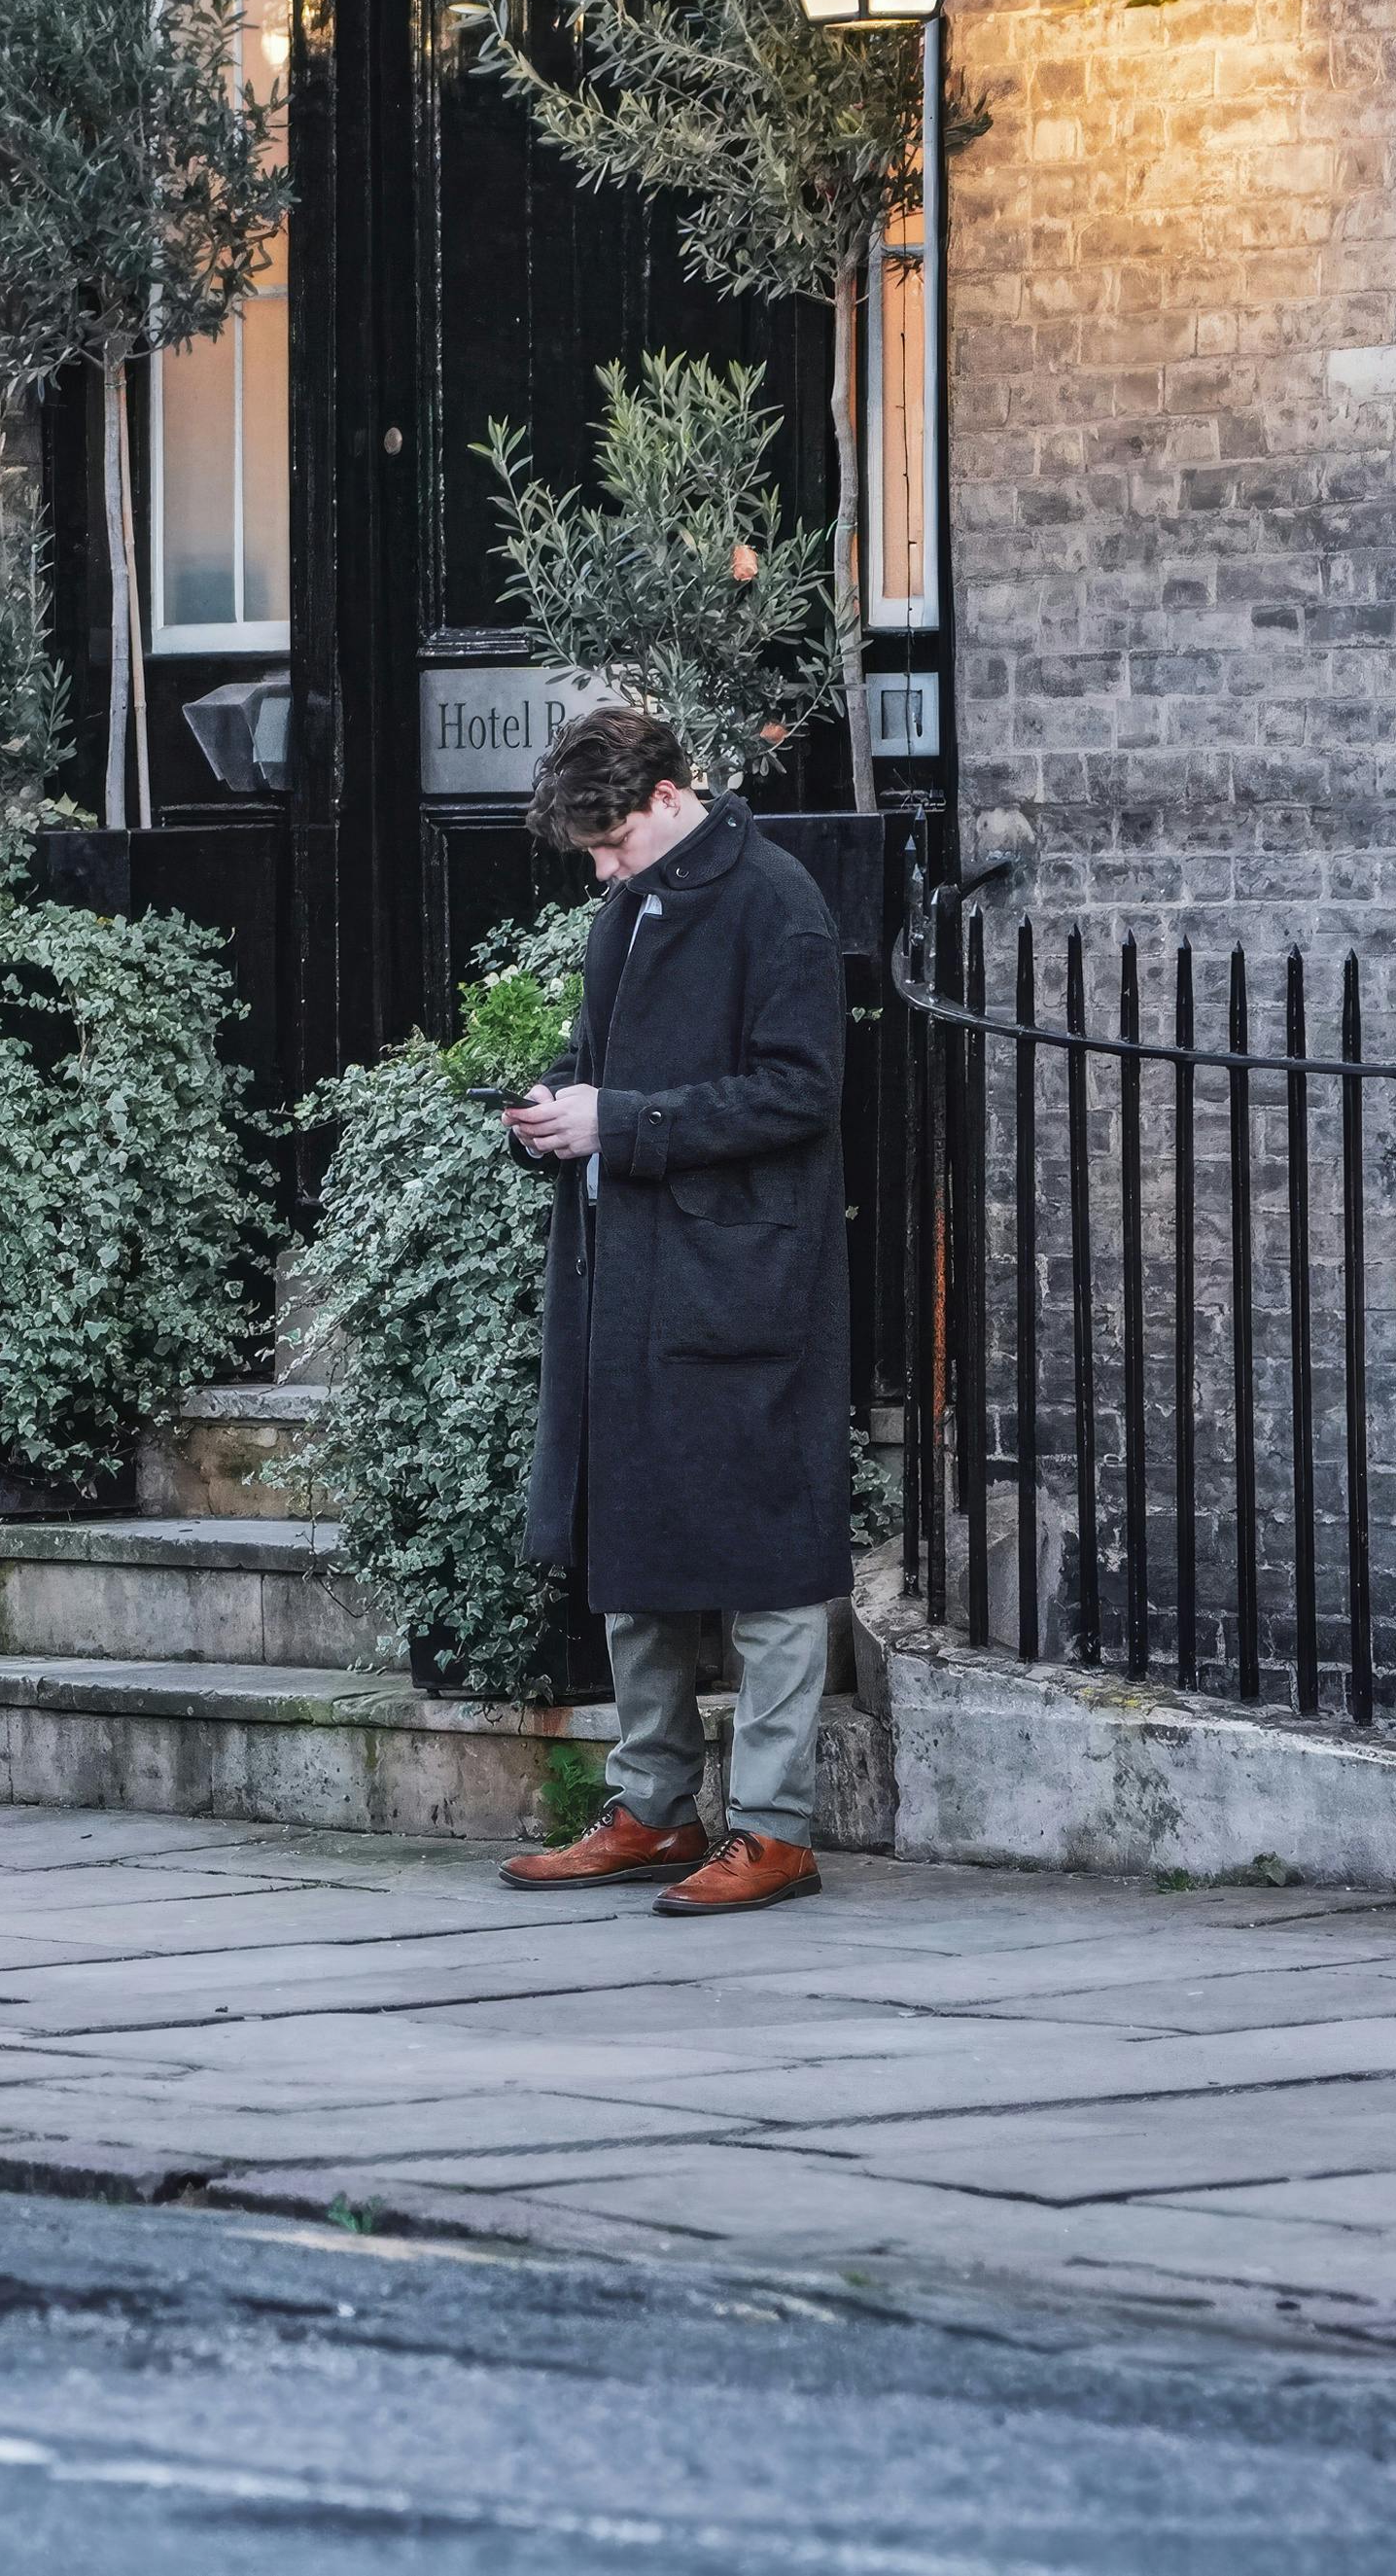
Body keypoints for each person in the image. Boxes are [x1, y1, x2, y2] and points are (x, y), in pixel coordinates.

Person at [490, 709, 851, 1914]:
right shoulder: (630, 906)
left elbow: (799, 1092)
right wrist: (557, 1102)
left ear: (662, 795)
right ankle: (653, 1807)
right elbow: (607, 1053)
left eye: (606, 844)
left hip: (743, 1279)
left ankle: (775, 1828)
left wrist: (623, 1121)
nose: (597, 869)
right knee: (627, 1536)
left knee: (771, 1558)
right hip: (627, 1267)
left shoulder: (777, 901)